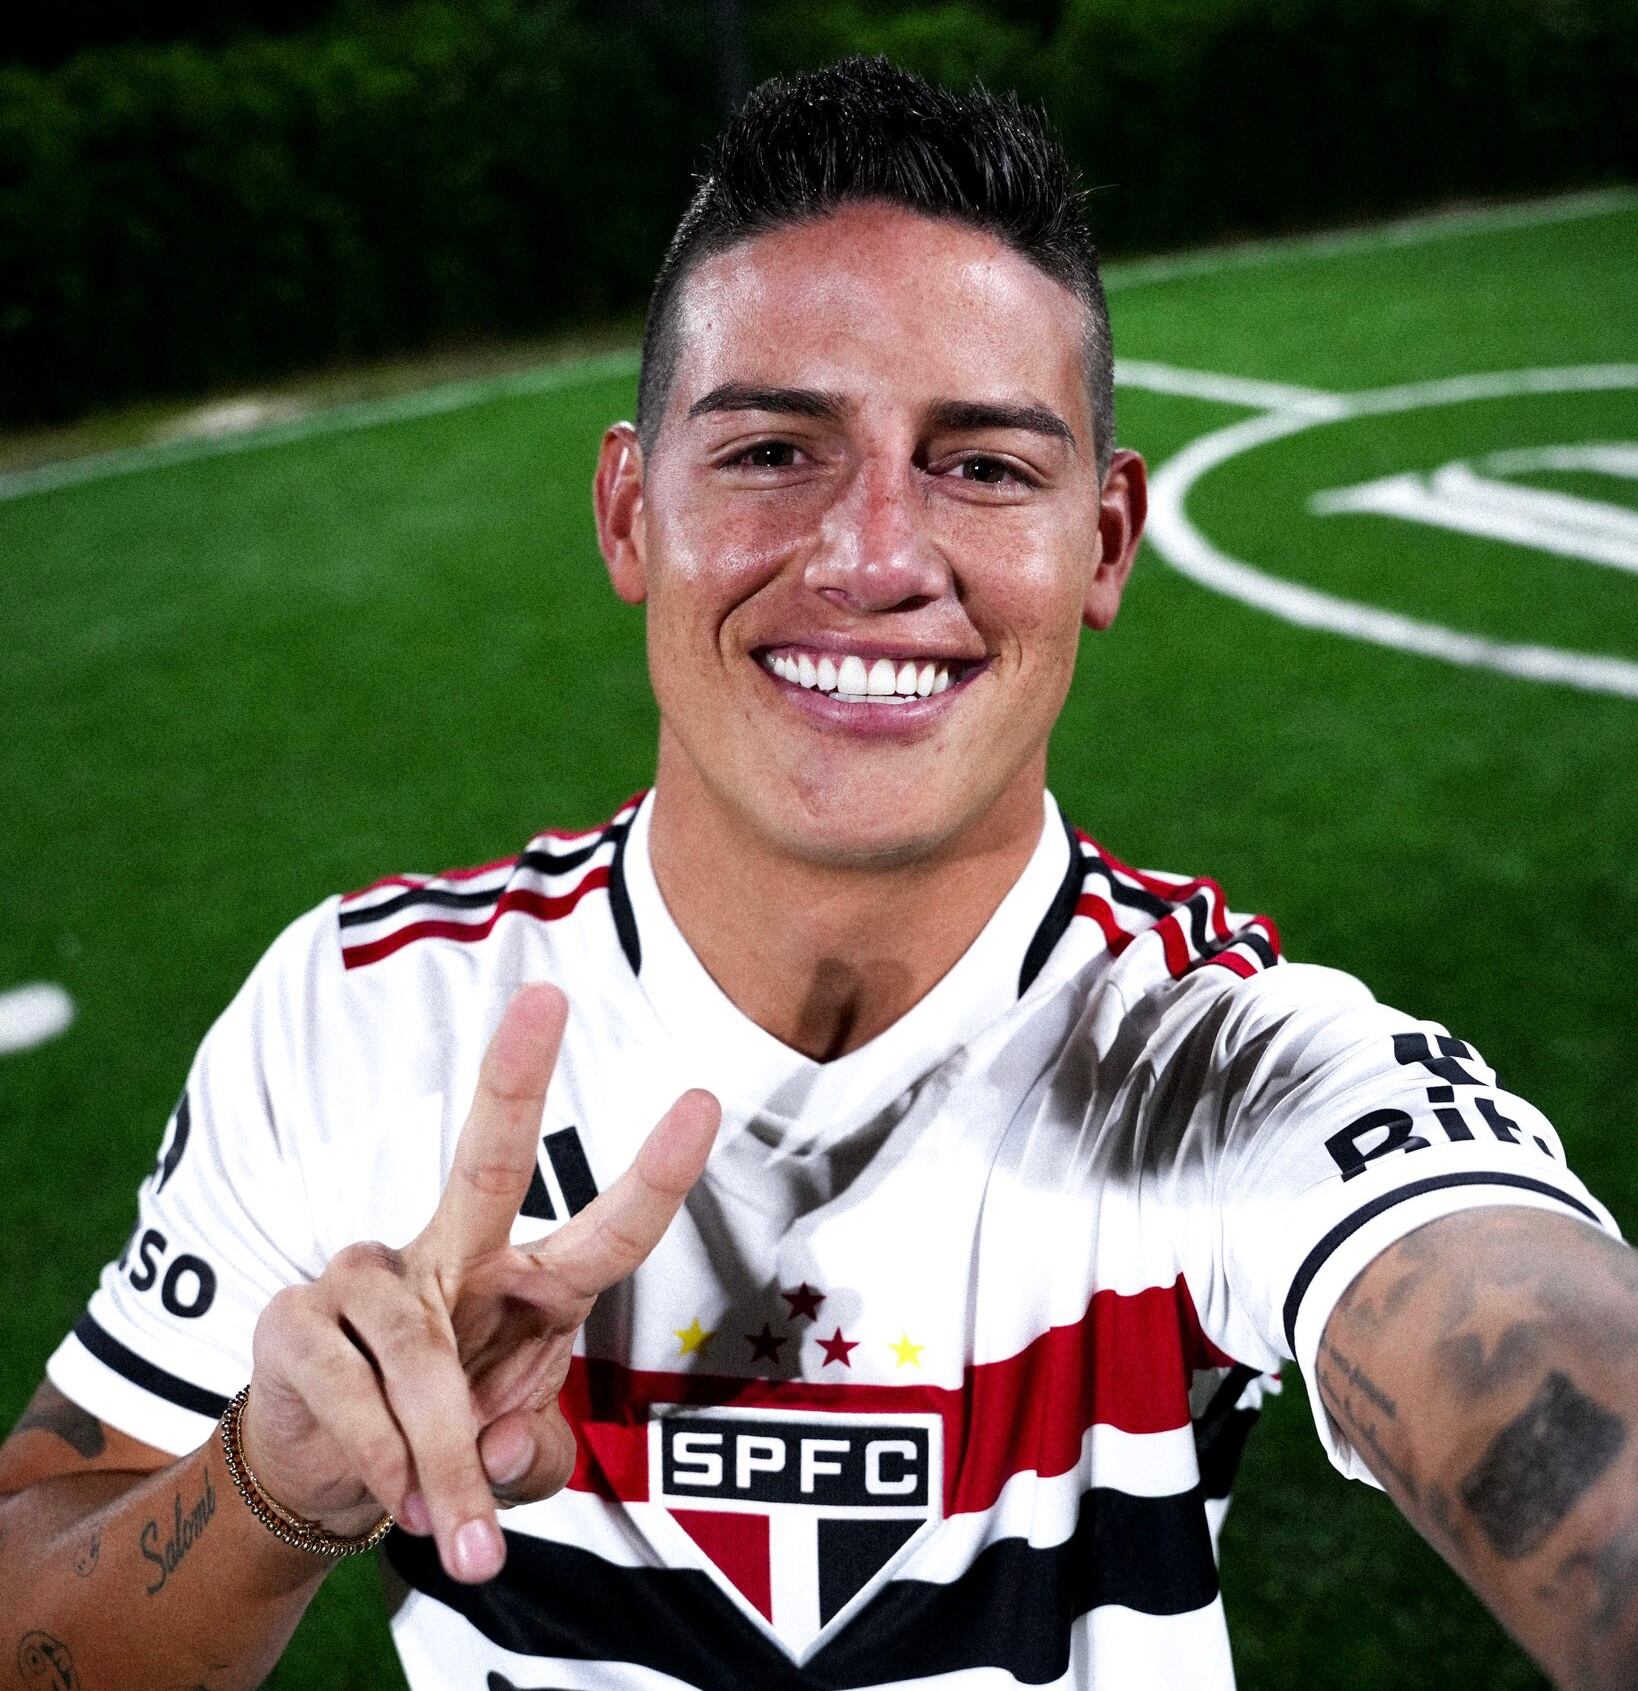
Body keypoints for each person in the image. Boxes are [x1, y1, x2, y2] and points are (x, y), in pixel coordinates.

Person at [1, 55, 1633, 1691]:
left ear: (1103, 540)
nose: (872, 557)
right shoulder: (366, 1017)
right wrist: (272, 1488)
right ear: (628, 511)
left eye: (982, 466)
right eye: (774, 450)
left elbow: (1516, 1329)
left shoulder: (1227, 1068)